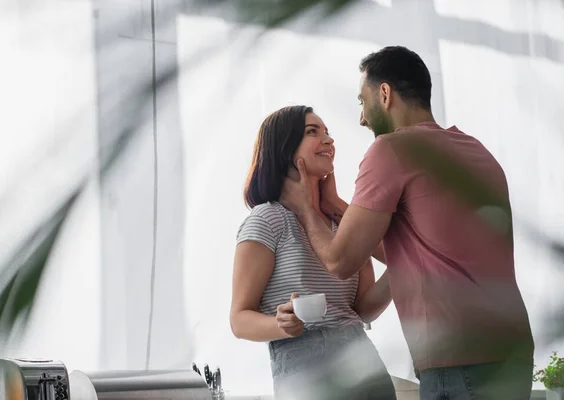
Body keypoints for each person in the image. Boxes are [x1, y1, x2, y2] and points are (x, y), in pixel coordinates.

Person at [280, 46, 535, 400]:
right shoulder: (476, 151)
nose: (361, 119)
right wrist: (337, 206)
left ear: (384, 94)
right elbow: (424, 248)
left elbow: (339, 261)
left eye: (361, 101)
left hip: (458, 361)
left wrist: (306, 209)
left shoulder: (391, 149)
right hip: (513, 355)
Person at [229, 105, 397, 400]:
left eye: (327, 132)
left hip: (363, 360)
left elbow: (362, 309)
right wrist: (281, 325)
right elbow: (239, 319)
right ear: (285, 149)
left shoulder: (340, 223)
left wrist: (404, 267)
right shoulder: (267, 220)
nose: (328, 140)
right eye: (312, 132)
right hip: (304, 364)